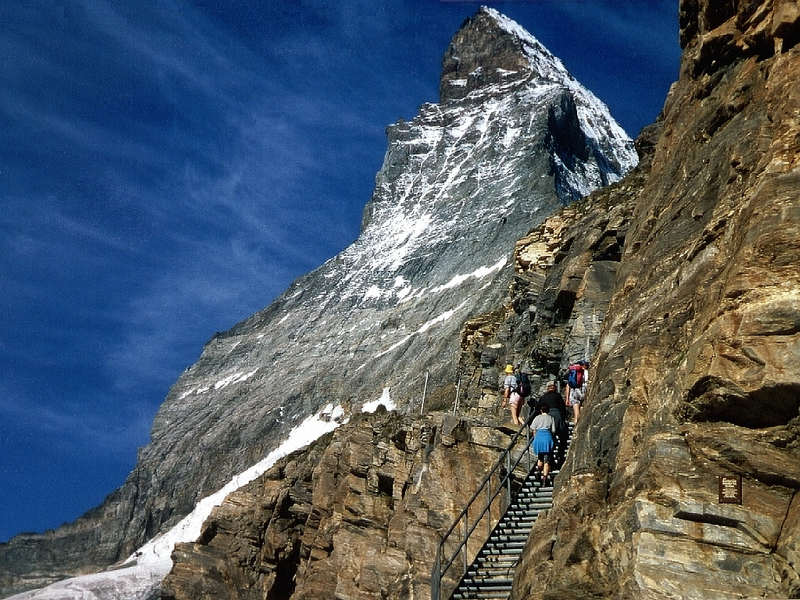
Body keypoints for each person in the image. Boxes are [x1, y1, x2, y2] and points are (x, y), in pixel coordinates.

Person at [537, 381, 567, 459]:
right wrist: (563, 419)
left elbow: (538, 408)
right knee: (563, 436)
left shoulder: (543, 397)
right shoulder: (558, 396)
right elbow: (563, 408)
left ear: (548, 388)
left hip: (547, 418)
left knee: (550, 437)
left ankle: (548, 459)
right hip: (557, 416)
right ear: (555, 387)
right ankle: (560, 454)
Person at [530, 404, 556, 485]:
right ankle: (544, 478)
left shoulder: (537, 417)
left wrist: (535, 437)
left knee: (540, 457)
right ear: (548, 410)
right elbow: (553, 430)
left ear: (541, 410)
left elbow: (533, 428)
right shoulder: (551, 418)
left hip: (538, 437)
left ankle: (538, 470)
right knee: (547, 459)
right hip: (547, 437)